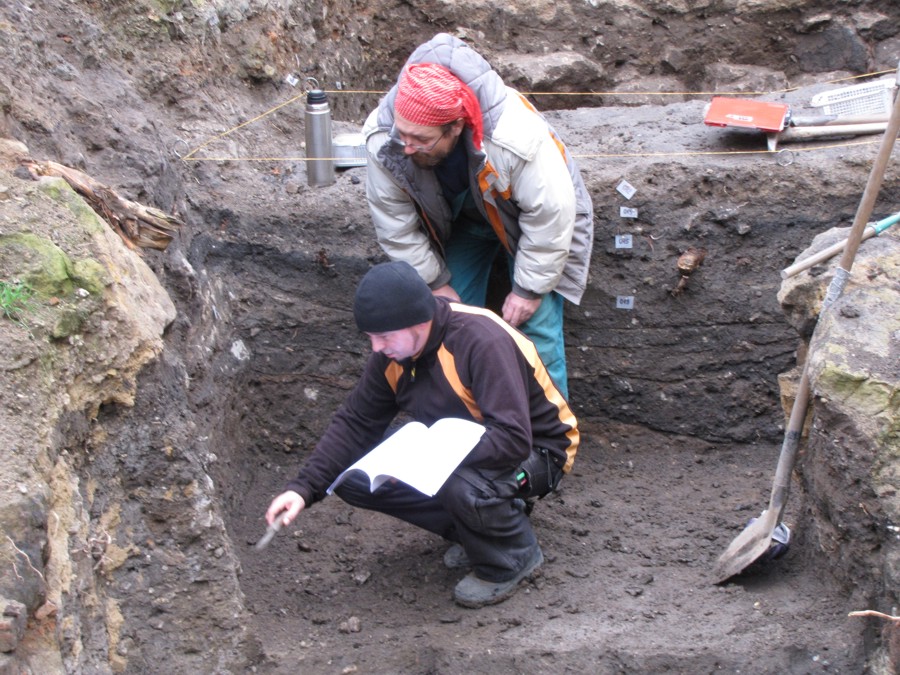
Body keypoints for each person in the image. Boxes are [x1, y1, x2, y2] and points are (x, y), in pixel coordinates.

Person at [266, 261, 579, 608]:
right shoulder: (395, 355)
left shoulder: (481, 340)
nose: (376, 348)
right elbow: (356, 421)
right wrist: (303, 488)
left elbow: (512, 439)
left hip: (539, 452)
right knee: (353, 476)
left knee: (457, 480)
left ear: (419, 322)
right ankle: (475, 532)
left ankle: (512, 557)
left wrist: (432, 458)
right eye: (371, 337)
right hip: (461, 443)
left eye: (383, 336)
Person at [361, 33, 595, 400]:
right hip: (466, 220)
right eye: (402, 134)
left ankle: (549, 441)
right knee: (448, 319)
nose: (405, 147)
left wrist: (529, 289)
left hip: (525, 222)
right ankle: (466, 427)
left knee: (538, 328)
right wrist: (435, 282)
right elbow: (394, 223)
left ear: (455, 126)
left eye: (420, 140)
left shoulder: (513, 135)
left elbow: (552, 213)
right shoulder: (385, 137)